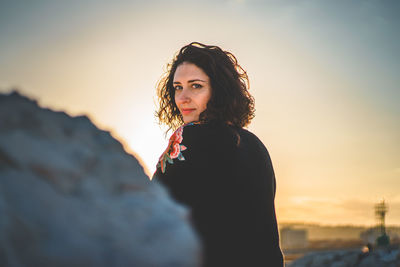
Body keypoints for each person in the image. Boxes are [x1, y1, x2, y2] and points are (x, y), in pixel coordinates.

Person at [153, 42, 284, 267]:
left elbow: (148, 206)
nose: (183, 97)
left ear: (218, 90)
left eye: (195, 86)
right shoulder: (256, 145)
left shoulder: (189, 138)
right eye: (177, 87)